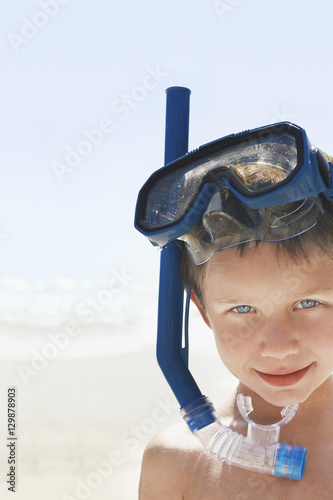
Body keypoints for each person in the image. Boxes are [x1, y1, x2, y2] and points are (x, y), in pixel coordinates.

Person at [135, 121, 333, 498]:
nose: (278, 347)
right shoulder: (174, 462)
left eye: (308, 303)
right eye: (243, 308)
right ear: (204, 312)